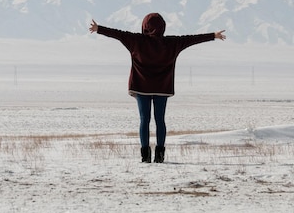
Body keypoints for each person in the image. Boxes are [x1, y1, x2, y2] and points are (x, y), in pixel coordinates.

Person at [89, 13, 226, 163]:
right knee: (160, 120)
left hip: (141, 88)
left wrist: (99, 29)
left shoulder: (136, 41)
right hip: (162, 88)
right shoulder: (172, 43)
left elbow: (118, 34)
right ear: (163, 27)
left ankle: (145, 155)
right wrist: (213, 35)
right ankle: (160, 155)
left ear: (144, 26)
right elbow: (191, 39)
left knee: (144, 120)